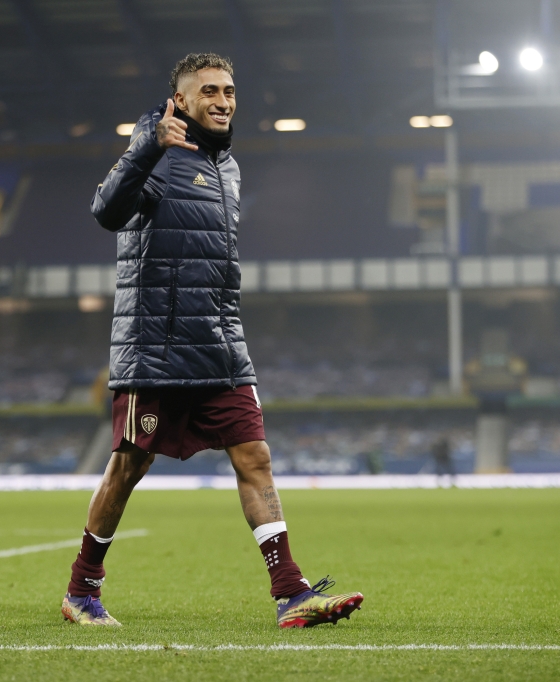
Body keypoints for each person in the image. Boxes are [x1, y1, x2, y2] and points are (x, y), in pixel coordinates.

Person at [61, 53, 363, 629]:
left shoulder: (229, 169)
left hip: (220, 346)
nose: (223, 100)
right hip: (155, 348)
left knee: (255, 458)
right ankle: (81, 591)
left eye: (228, 90)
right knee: (128, 467)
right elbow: (106, 210)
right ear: (181, 100)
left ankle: (290, 592)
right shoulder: (153, 151)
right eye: (208, 91)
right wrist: (149, 145)